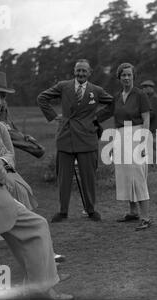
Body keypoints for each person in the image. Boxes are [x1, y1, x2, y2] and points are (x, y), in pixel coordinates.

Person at [0, 70, 72, 299]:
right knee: (36, 226)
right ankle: (42, 291)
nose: (0, 102)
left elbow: (9, 157)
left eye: (2, 96)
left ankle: (41, 289)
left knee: (37, 226)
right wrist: (0, 165)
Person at [37, 59, 114, 223]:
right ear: (74, 71)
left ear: (89, 72)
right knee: (64, 177)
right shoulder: (63, 86)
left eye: (84, 71)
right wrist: (53, 116)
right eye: (78, 70)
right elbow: (42, 98)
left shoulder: (96, 90)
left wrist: (97, 117)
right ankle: (63, 211)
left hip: (87, 138)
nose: (81, 74)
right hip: (66, 137)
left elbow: (112, 103)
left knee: (89, 176)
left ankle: (91, 210)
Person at [114, 63, 152, 230]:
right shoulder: (117, 96)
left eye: (129, 75)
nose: (127, 78)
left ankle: (145, 217)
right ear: (119, 77)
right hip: (121, 135)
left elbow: (146, 119)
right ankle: (133, 212)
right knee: (125, 175)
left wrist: (143, 142)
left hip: (137, 135)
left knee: (138, 175)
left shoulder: (140, 94)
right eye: (123, 75)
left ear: (134, 76)